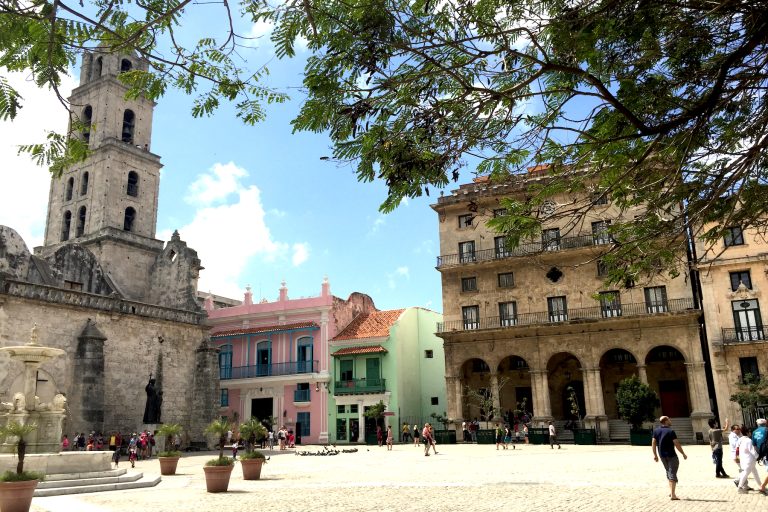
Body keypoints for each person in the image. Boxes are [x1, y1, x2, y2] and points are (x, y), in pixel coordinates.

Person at [652, 415, 688, 501]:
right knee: (672, 473)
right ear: (665, 421)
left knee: (668, 472)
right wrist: (683, 453)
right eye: (669, 420)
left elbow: (653, 443)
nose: (670, 421)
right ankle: (673, 495)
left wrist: (655, 455)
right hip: (671, 455)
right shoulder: (671, 431)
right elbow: (677, 444)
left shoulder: (656, 431)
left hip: (662, 455)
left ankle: (671, 492)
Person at [736, 426, 762, 494]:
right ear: (747, 433)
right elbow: (752, 451)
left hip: (744, 459)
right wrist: (758, 456)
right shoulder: (749, 440)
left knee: (755, 473)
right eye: (750, 432)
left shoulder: (740, 440)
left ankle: (761, 486)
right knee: (745, 474)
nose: (750, 433)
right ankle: (740, 487)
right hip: (749, 460)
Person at [753, 419, 768, 495]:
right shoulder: (767, 430)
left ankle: (762, 486)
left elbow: (754, 445)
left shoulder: (754, 432)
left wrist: (759, 454)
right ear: (765, 423)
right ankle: (762, 486)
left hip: (762, 455)